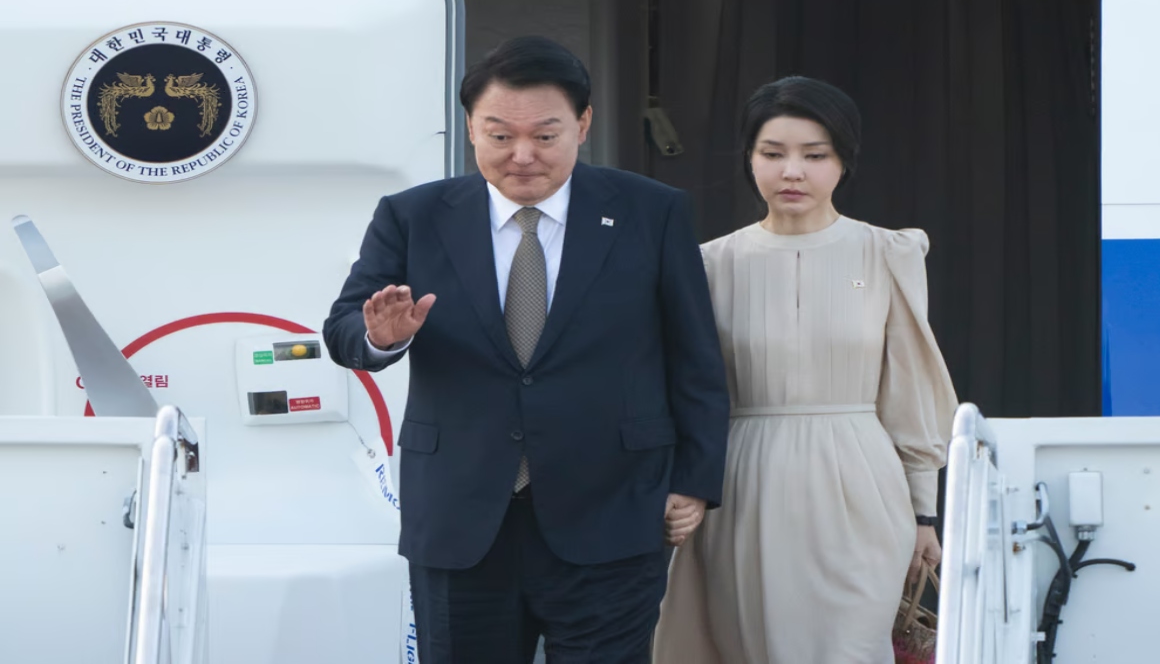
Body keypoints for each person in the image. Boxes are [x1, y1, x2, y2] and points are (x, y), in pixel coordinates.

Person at [322, 35, 729, 664]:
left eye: (545, 135)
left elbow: (694, 356)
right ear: (470, 129)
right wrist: (381, 336)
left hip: (614, 511)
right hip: (461, 518)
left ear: (583, 124)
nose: (522, 156)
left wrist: (695, 482)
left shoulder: (652, 212)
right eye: (499, 135)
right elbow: (345, 327)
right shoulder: (414, 215)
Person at [652, 76, 958, 663]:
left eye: (814, 155)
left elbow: (910, 389)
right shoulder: (708, 264)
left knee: (851, 647)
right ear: (750, 159)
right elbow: (680, 386)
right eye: (773, 154)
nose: (792, 171)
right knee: (752, 646)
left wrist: (924, 512)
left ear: (844, 161)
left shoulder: (887, 252)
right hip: (743, 483)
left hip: (862, 482)